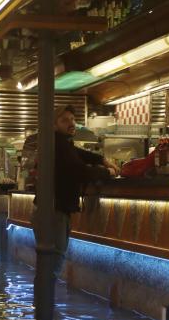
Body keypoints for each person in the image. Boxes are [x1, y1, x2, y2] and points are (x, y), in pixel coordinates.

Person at [32, 105, 117, 281]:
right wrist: (107, 172)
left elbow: (78, 154)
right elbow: (80, 171)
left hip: (50, 210)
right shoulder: (59, 145)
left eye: (72, 119)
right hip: (54, 211)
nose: (71, 123)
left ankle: (43, 305)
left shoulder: (59, 142)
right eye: (65, 120)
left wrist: (101, 159)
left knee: (49, 263)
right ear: (54, 125)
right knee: (54, 262)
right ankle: (44, 306)